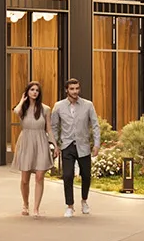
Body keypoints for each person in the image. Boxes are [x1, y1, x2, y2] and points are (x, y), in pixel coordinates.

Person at [52, 77, 102, 217]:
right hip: (67, 146)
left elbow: (95, 125)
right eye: (72, 89)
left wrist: (96, 144)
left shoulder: (88, 105)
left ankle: (84, 201)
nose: (75, 91)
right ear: (66, 90)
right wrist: (55, 145)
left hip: (83, 145)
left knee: (86, 175)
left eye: (77, 88)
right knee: (67, 176)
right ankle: (70, 206)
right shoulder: (59, 106)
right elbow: (54, 127)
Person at [12, 82, 52, 217]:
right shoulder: (22, 108)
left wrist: (55, 144)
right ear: (27, 92)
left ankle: (36, 208)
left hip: (41, 141)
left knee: (40, 177)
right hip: (26, 142)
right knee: (25, 179)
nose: (35, 92)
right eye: (32, 90)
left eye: (37, 90)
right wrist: (22, 101)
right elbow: (16, 112)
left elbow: (49, 129)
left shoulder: (45, 109)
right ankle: (25, 204)